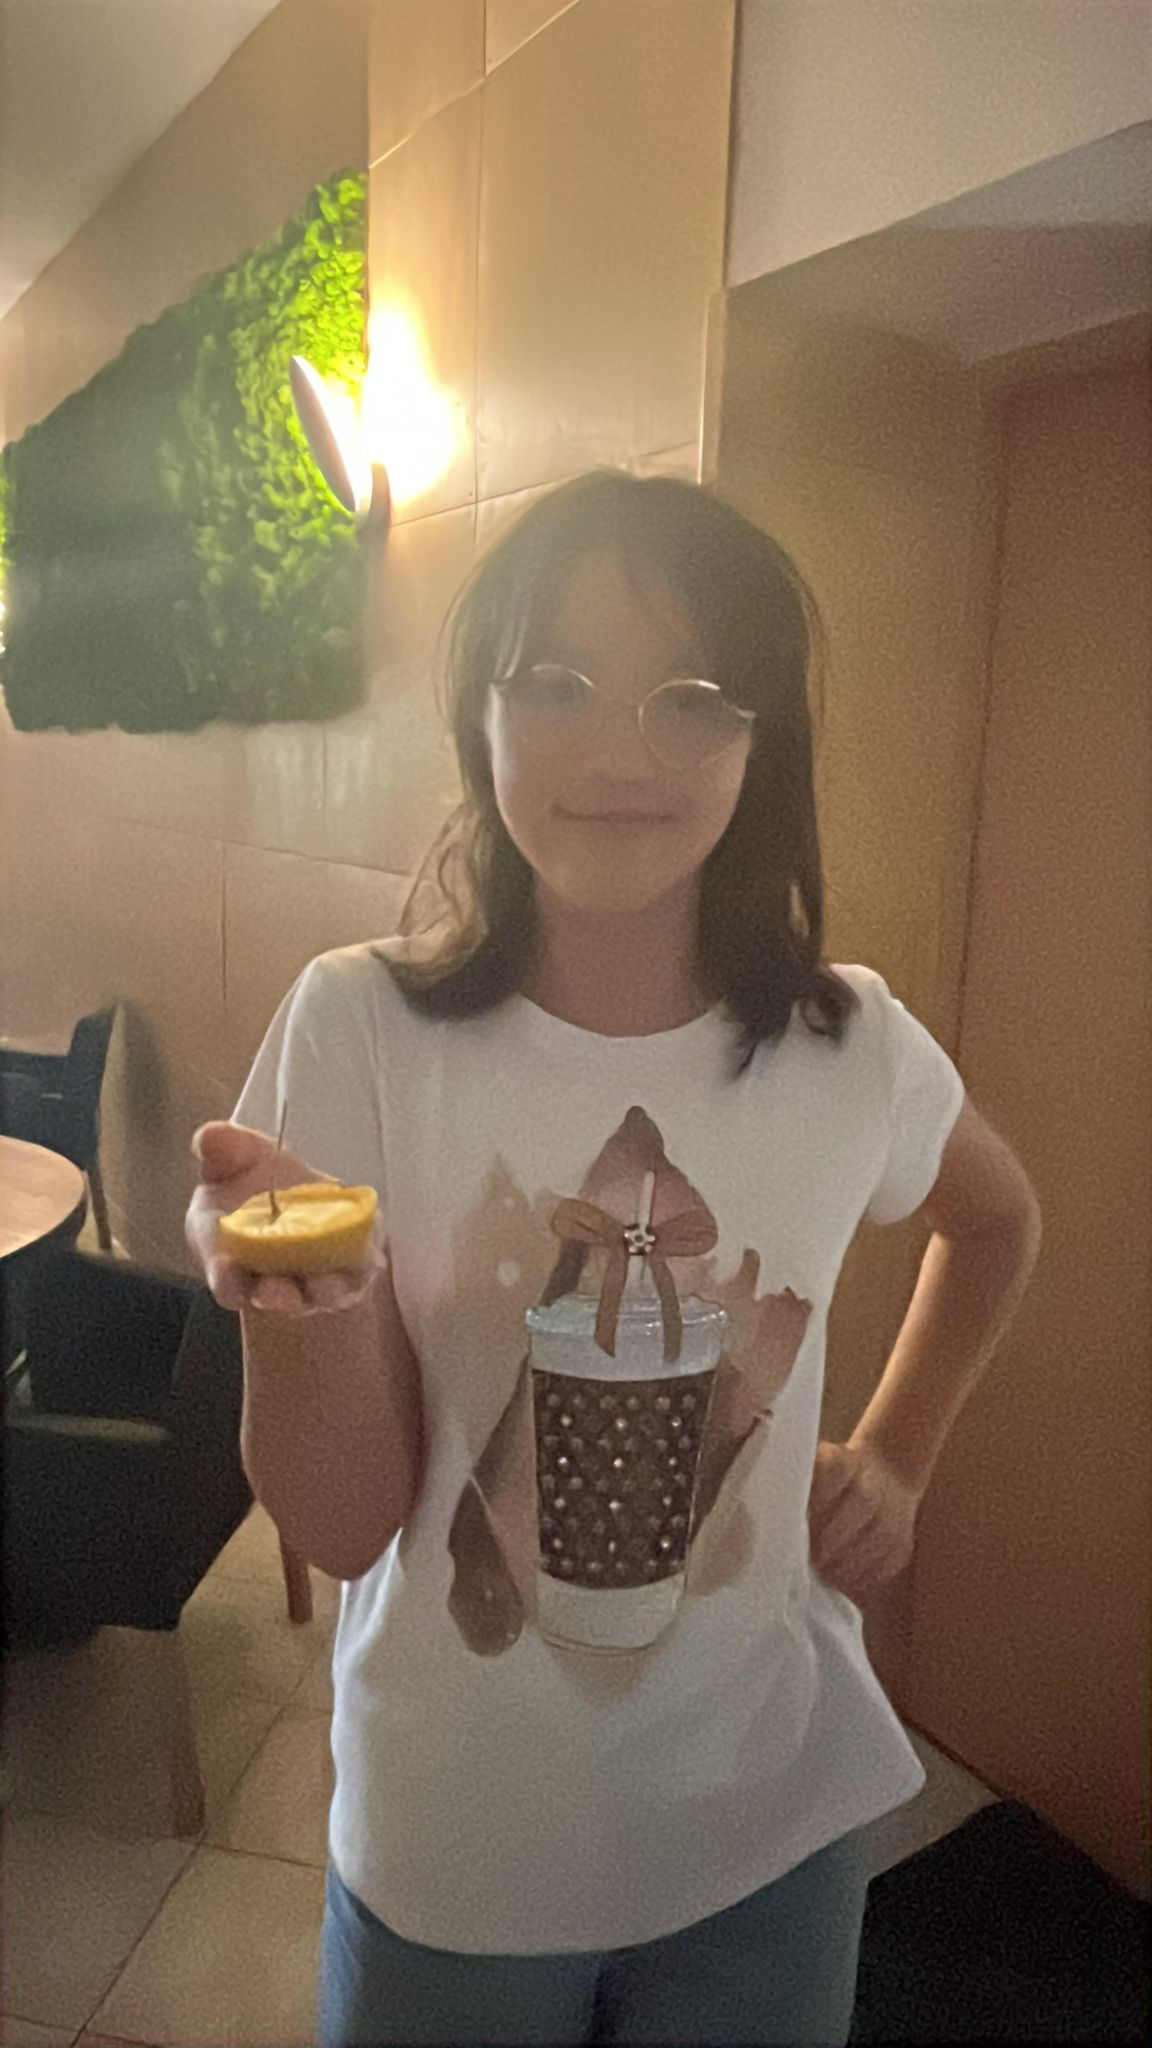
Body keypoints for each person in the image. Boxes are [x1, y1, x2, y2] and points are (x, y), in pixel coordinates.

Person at [186, 470, 1042, 2047]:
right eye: (557, 680)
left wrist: (900, 1456)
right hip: (457, 1851)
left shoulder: (850, 1045)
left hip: (772, 1830)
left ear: (763, 742)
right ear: (479, 715)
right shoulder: (361, 1026)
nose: (620, 748)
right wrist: (302, 1313)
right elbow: (344, 1524)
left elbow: (999, 1221)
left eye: (693, 697)